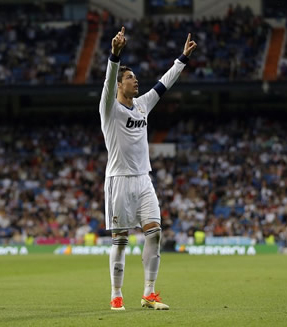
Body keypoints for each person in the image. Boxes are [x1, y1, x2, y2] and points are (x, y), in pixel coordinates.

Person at [99, 26, 197, 311]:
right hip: (119, 180)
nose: (136, 80)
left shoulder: (142, 105)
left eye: (135, 77)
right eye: (130, 78)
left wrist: (183, 58)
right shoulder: (109, 109)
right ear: (119, 85)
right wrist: (114, 56)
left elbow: (164, 84)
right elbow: (107, 83)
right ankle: (116, 293)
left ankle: (149, 293)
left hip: (144, 180)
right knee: (120, 241)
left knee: (155, 233)